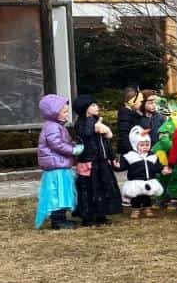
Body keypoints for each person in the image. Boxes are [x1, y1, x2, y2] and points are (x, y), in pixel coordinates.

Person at [72, 95, 122, 227]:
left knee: (103, 187)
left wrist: (111, 157)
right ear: (85, 109)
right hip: (88, 162)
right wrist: (95, 123)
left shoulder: (97, 121)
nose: (97, 107)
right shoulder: (81, 123)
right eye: (93, 105)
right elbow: (87, 133)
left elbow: (106, 142)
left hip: (101, 161)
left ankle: (101, 214)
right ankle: (88, 216)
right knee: (89, 189)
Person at [35, 94, 80, 229]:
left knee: (63, 192)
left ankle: (61, 218)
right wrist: (73, 150)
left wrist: (73, 144)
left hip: (60, 165)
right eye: (65, 112)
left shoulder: (57, 126)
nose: (67, 114)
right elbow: (57, 144)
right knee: (57, 193)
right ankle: (58, 220)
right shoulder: (52, 127)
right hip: (56, 166)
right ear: (53, 112)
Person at [114, 126, 165, 217]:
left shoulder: (152, 156)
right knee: (136, 197)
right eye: (142, 145)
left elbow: (157, 166)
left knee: (147, 196)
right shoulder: (130, 156)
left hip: (148, 180)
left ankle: (147, 208)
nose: (145, 147)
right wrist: (116, 166)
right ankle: (135, 210)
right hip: (135, 181)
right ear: (135, 144)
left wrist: (163, 169)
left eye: (147, 145)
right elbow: (122, 166)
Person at [116, 86, 141, 156]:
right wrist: (131, 151)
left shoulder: (132, 113)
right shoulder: (125, 114)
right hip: (129, 151)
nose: (140, 103)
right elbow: (124, 134)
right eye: (139, 101)